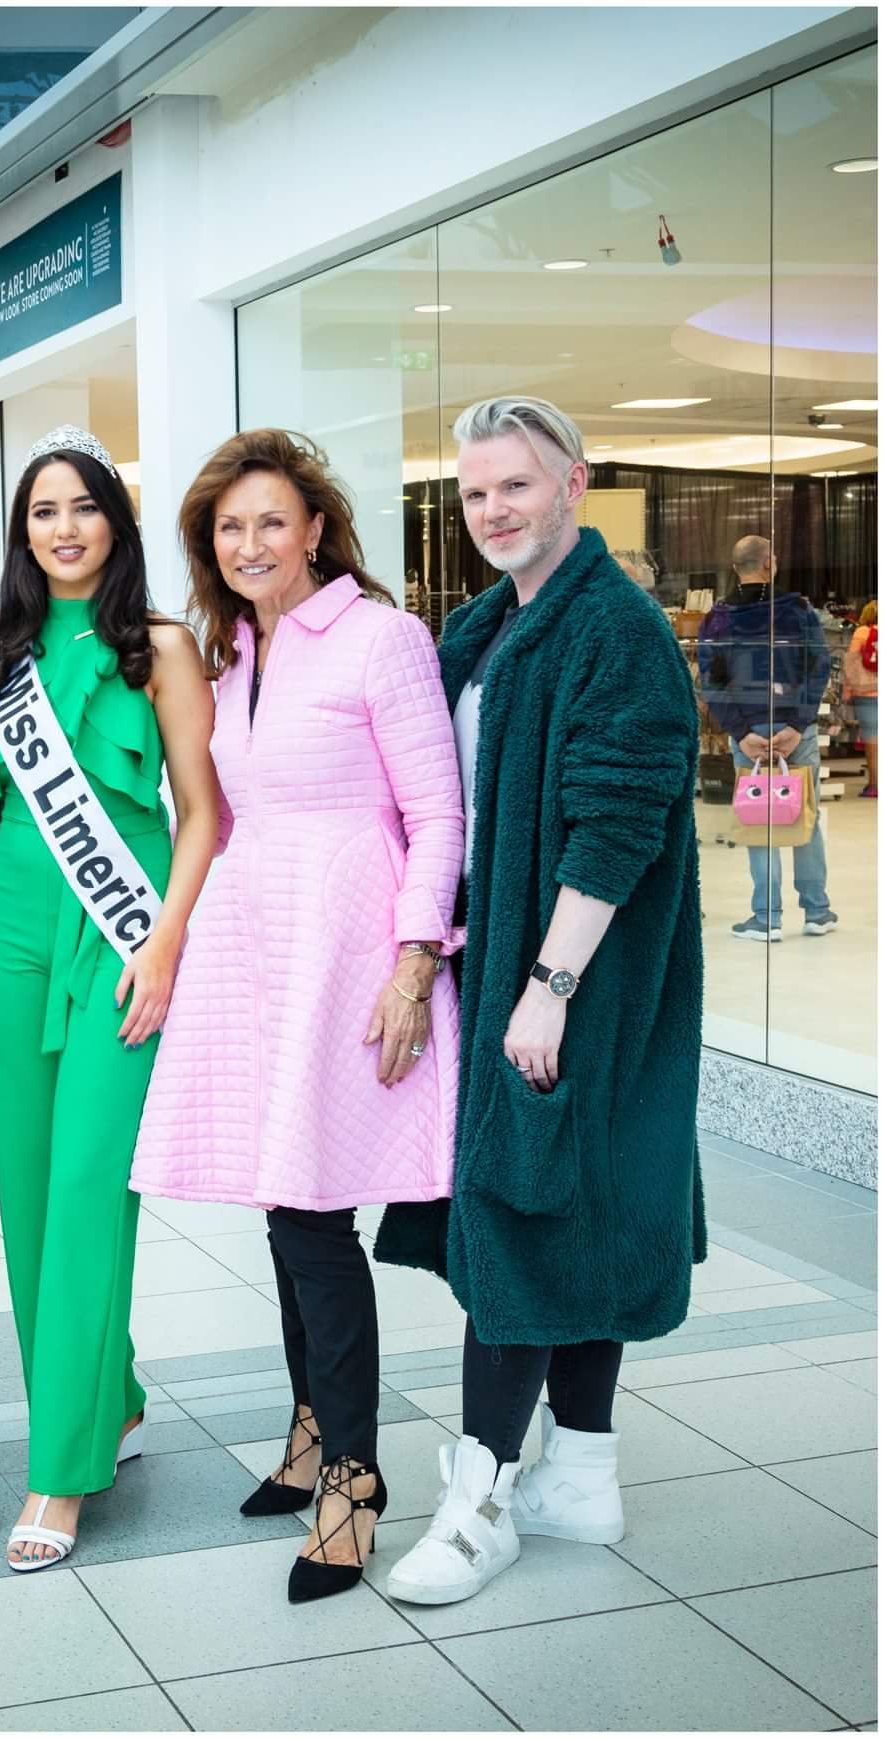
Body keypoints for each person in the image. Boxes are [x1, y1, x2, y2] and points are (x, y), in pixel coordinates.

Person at [375, 396, 704, 1610]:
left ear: (569, 483)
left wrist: (549, 988)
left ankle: (478, 1506)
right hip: (508, 971)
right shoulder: (487, 623)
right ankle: (582, 1473)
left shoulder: (613, 630)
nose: (491, 510)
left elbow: (616, 821)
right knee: (577, 1209)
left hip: (579, 983)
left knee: (520, 1216)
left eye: (514, 484)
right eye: (472, 493)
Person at [131, 430, 465, 1604]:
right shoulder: (226, 652)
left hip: (352, 950)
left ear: (314, 528)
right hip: (257, 948)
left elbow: (435, 814)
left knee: (315, 1218)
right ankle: (311, 1431)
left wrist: (413, 965)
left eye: (270, 521)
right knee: (284, 1208)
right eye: (228, 528)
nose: (249, 543)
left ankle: (354, 1480)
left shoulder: (380, 637)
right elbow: (215, 811)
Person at [0, 426, 219, 1571]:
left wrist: (165, 942)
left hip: (122, 934)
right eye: (41, 512)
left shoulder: (161, 647)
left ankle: (59, 1469)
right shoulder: (6, 660)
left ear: (114, 523)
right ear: (23, 535)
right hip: (12, 930)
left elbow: (203, 811)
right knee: (26, 1195)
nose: (62, 528)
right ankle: (102, 1393)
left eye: (82, 507)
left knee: (85, 1188)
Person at [699, 535, 838, 939]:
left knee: (759, 819)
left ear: (734, 566)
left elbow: (713, 681)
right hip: (797, 730)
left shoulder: (718, 618)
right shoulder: (797, 611)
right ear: (769, 563)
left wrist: (741, 733)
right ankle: (817, 912)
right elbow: (819, 666)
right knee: (805, 814)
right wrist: (798, 724)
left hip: (749, 735)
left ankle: (766, 917)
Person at [843, 598, 877, 798]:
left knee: (873, 740)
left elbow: (851, 664)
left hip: (867, 693)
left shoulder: (862, 633)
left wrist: (848, 690)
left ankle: (874, 785)